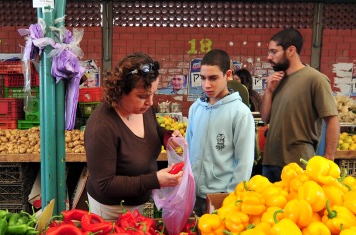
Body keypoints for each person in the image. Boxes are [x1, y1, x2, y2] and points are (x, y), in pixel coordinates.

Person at [84, 52, 183, 220]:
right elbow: (105, 185)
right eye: (142, 96)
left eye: (153, 93)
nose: (150, 102)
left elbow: (153, 128)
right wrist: (154, 180)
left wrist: (167, 137)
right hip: (111, 211)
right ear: (121, 91)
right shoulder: (102, 126)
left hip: (140, 203)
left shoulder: (143, 109)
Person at [259, 28, 340, 183]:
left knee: (297, 207)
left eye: (274, 52)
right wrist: (268, 91)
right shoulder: (278, 80)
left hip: (299, 163)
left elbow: (332, 120)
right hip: (270, 162)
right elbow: (265, 118)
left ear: (291, 50)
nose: (269, 57)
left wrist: (329, 158)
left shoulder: (315, 79)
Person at [186, 49, 255, 215]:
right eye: (202, 78)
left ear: (228, 75)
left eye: (213, 78)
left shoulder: (240, 113)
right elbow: (188, 151)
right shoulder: (196, 108)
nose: (206, 85)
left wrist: (230, 198)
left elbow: (244, 163)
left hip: (221, 198)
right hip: (192, 195)